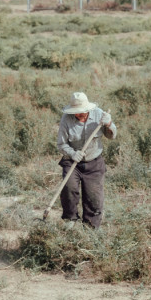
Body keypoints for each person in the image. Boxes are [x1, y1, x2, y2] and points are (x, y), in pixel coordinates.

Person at [56, 91, 116, 228]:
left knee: (94, 198)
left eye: (82, 111)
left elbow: (112, 136)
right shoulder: (66, 120)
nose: (79, 114)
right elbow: (61, 144)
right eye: (76, 112)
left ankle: (91, 229)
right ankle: (70, 221)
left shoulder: (99, 114)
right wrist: (72, 153)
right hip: (72, 162)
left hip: (94, 162)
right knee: (69, 189)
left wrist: (109, 124)